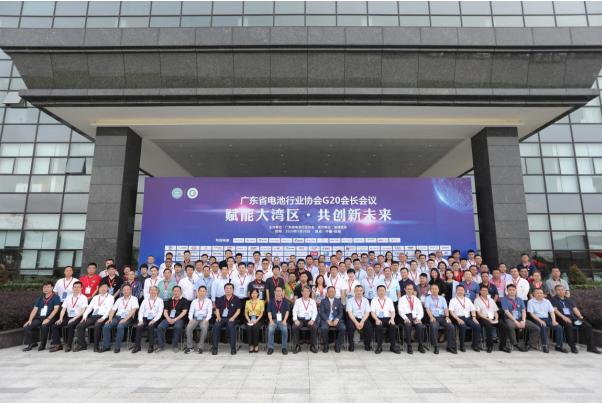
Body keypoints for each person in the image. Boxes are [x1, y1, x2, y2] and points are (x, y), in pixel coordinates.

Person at [551, 284, 600, 354]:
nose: (561, 291)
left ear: (565, 291)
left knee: (587, 326)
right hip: (561, 319)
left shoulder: (568, 299)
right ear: (555, 291)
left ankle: (591, 347)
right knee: (569, 326)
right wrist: (564, 317)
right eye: (558, 290)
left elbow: (575, 309)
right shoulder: (553, 299)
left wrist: (580, 316)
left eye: (562, 290)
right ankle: (572, 346)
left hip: (573, 319)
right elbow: (555, 310)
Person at [74, 283, 115, 352]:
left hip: (103, 316)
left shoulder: (111, 297)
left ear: (108, 288)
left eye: (105, 287)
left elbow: (109, 309)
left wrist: (103, 318)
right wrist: (84, 316)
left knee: (97, 326)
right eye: (101, 287)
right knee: (80, 326)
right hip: (93, 316)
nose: (103, 289)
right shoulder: (96, 297)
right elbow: (89, 307)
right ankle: (82, 345)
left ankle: (96, 346)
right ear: (99, 288)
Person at [22, 281, 61, 351]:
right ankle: (32, 343)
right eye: (44, 287)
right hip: (40, 318)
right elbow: (35, 309)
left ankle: (43, 345)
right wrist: (30, 320)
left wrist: (48, 319)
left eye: (48, 287)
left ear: (52, 288)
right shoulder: (40, 298)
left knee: (44, 326)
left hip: (51, 317)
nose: (46, 289)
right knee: (27, 326)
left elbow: (56, 309)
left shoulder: (56, 297)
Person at [49, 281, 88, 352]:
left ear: (81, 288)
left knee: (70, 325)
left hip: (78, 317)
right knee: (55, 325)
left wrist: (74, 319)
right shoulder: (68, 297)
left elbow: (83, 310)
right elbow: (63, 309)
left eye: (78, 287)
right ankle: (57, 344)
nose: (76, 289)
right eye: (75, 287)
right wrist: (60, 318)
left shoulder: (83, 298)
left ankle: (69, 345)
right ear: (72, 288)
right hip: (68, 316)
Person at [100, 283, 139, 353]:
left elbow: (133, 310)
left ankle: (117, 347)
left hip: (128, 317)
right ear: (122, 291)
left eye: (127, 290)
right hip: (117, 317)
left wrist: (125, 319)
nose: (126, 291)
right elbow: (113, 310)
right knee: (106, 326)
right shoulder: (119, 299)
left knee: (120, 326)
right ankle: (106, 346)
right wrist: (110, 319)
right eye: (124, 290)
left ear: (130, 291)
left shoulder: (134, 299)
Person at [500, 284, 539, 352]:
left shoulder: (520, 299)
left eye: (513, 290)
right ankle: (515, 344)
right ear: (507, 291)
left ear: (516, 290)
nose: (512, 291)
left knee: (536, 328)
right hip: (510, 319)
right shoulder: (504, 299)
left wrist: (523, 320)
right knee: (511, 327)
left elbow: (523, 311)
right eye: (510, 290)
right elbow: (506, 312)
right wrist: (515, 321)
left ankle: (530, 345)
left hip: (521, 319)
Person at [527, 288, 568, 353]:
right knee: (543, 326)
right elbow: (531, 314)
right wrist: (540, 320)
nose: (539, 294)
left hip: (547, 319)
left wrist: (554, 321)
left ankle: (559, 346)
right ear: (534, 294)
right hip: (536, 319)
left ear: (543, 294)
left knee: (559, 327)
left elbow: (551, 312)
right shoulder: (530, 302)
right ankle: (545, 345)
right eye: (537, 293)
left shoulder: (547, 301)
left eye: (541, 293)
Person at [424, 283, 457, 354]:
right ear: (430, 290)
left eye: (436, 289)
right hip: (433, 317)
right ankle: (436, 346)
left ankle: (450, 347)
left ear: (438, 290)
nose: (434, 290)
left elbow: (445, 308)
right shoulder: (427, 298)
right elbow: (427, 309)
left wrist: (447, 317)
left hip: (442, 317)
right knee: (434, 327)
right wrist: (431, 317)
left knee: (451, 326)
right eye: (432, 289)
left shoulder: (442, 298)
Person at [474, 285, 508, 353]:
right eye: (482, 290)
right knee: (488, 325)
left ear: (488, 292)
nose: (484, 292)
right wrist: (488, 319)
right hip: (483, 318)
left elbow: (495, 311)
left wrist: (496, 319)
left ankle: (502, 346)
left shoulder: (491, 300)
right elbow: (478, 313)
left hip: (492, 317)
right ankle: (489, 346)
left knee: (504, 326)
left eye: (485, 290)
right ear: (480, 291)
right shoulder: (477, 300)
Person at [448, 284, 482, 352]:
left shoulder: (468, 300)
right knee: (462, 326)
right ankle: (462, 345)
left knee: (477, 325)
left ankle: (475, 345)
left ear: (464, 291)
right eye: (458, 290)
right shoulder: (453, 300)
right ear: (456, 291)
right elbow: (451, 312)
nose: (460, 291)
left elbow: (473, 309)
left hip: (467, 317)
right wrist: (458, 319)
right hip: (457, 317)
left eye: (462, 290)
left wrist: (474, 318)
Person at [155, 285, 189, 352]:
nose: (176, 292)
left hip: (179, 319)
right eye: (174, 291)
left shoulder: (184, 300)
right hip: (169, 318)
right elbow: (165, 311)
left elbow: (184, 312)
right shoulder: (169, 300)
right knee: (160, 327)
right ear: (172, 292)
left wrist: (175, 319)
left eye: (178, 291)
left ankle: (175, 345)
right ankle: (161, 346)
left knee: (177, 327)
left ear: (181, 292)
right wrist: (168, 318)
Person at [211, 283, 241, 355]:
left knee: (231, 327)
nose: (228, 290)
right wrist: (218, 317)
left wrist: (233, 318)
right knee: (216, 326)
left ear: (233, 290)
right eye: (227, 288)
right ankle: (215, 348)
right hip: (221, 318)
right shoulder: (220, 299)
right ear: (224, 289)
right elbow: (217, 309)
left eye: (230, 288)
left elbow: (238, 310)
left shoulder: (236, 299)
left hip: (231, 318)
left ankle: (233, 348)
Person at [132, 286, 164, 353]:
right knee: (139, 327)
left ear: (157, 292)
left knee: (151, 326)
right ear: (149, 292)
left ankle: (151, 346)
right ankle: (137, 346)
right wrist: (140, 320)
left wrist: (153, 320)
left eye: (154, 290)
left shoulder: (160, 300)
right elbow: (141, 311)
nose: (152, 291)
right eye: (151, 290)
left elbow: (160, 313)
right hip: (145, 318)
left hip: (155, 318)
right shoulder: (145, 300)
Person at [370, 285, 400, 354]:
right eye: (380, 290)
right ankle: (379, 346)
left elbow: (393, 311)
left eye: (383, 290)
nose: (381, 292)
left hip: (388, 318)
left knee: (393, 326)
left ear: (385, 291)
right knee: (379, 326)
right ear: (377, 292)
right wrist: (376, 319)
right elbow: (372, 312)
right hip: (378, 318)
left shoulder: (389, 300)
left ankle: (393, 346)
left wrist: (392, 319)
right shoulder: (374, 300)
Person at [397, 283, 425, 354]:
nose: (409, 290)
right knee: (408, 325)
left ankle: (420, 345)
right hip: (406, 316)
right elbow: (400, 311)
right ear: (405, 290)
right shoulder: (401, 299)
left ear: (413, 290)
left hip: (415, 316)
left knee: (419, 326)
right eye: (408, 289)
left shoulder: (416, 299)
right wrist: (405, 318)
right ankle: (409, 345)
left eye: (411, 289)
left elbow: (421, 311)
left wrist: (419, 318)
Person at [185, 285, 213, 354]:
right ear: (198, 292)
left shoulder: (209, 301)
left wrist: (207, 319)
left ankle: (200, 347)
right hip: (195, 318)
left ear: (206, 292)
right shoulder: (194, 301)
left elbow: (210, 312)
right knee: (188, 328)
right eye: (200, 291)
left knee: (204, 328)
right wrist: (190, 319)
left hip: (204, 318)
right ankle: (190, 347)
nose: (202, 293)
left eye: (204, 291)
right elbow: (191, 311)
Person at [318, 286, 346, 353]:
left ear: (335, 292)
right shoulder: (323, 301)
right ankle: (326, 345)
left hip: (336, 320)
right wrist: (327, 320)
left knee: (343, 328)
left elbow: (341, 312)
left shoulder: (338, 301)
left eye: (332, 291)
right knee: (324, 328)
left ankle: (337, 345)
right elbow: (322, 312)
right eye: (329, 291)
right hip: (326, 320)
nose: (331, 293)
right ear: (327, 293)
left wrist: (337, 319)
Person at [345, 284, 373, 352]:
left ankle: (367, 344)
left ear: (363, 291)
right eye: (357, 290)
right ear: (354, 291)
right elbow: (350, 313)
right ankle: (351, 345)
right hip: (353, 319)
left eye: (360, 291)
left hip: (363, 318)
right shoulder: (350, 300)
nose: (359, 292)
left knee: (369, 327)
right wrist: (356, 323)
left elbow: (367, 313)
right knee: (350, 327)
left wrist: (362, 321)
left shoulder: (366, 300)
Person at [292, 285, 318, 353]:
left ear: (309, 292)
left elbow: (315, 312)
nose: (306, 293)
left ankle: (312, 345)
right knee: (294, 327)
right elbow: (294, 311)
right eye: (304, 291)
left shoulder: (312, 301)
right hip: (300, 319)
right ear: (302, 292)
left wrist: (312, 320)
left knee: (314, 327)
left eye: (307, 291)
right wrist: (295, 320)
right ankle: (297, 345)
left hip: (309, 319)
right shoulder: (298, 301)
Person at [267, 286, 291, 355]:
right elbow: (269, 312)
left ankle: (284, 348)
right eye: (277, 291)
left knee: (285, 330)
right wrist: (271, 321)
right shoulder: (271, 301)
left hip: (282, 320)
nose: (278, 292)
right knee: (270, 330)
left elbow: (287, 311)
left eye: (280, 291)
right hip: (273, 320)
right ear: (274, 292)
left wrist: (285, 320)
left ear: (282, 292)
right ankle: (270, 347)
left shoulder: (285, 301)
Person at [245, 289, 265, 353]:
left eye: (255, 293)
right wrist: (249, 320)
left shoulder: (261, 302)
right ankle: (250, 345)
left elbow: (262, 313)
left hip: (258, 318)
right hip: (249, 318)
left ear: (258, 294)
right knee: (249, 327)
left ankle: (256, 345)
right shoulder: (247, 302)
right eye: (252, 293)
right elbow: (246, 313)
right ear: (250, 294)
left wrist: (256, 320)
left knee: (255, 327)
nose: (254, 294)